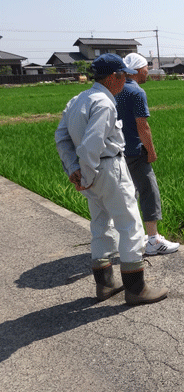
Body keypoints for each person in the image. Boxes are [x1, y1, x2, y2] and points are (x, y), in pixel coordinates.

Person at [55, 53, 169, 306]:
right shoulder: (104, 103)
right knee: (129, 226)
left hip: (89, 171)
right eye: (123, 76)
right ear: (114, 77)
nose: (125, 81)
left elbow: (62, 138)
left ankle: (105, 285)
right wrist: (85, 173)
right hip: (106, 168)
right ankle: (136, 289)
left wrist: (74, 170)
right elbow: (90, 145)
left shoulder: (77, 99)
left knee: (100, 224)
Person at [116, 53, 179, 256]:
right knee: (149, 191)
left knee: (127, 194)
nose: (148, 72)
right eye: (146, 68)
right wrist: (151, 151)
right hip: (135, 150)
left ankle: (131, 236)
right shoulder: (136, 92)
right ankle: (153, 240)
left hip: (116, 151)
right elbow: (142, 125)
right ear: (136, 70)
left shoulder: (115, 89)